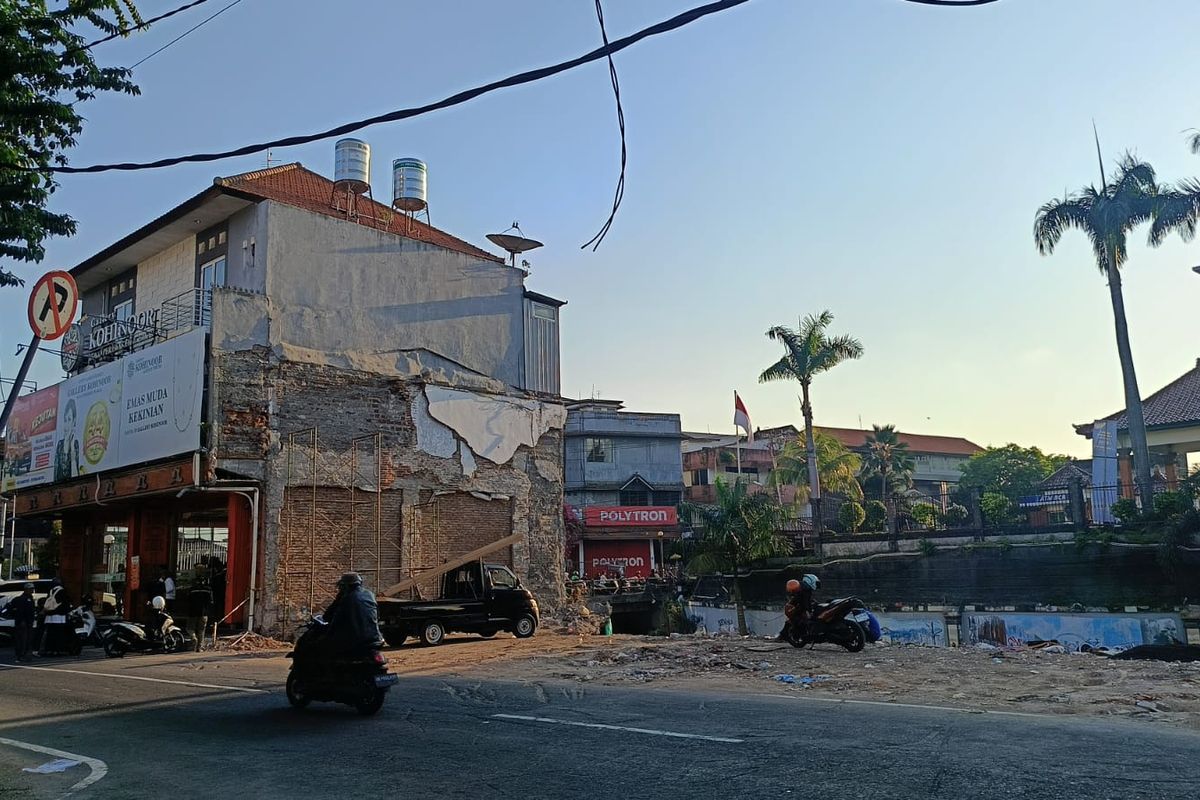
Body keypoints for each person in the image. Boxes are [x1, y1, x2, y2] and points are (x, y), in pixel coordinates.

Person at [305, 572, 384, 658]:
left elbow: (329, 617)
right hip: (375, 639)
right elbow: (378, 616)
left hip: (351, 641)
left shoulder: (346, 598)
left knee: (316, 646)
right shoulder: (370, 595)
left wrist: (339, 597)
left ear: (345, 586)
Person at [39, 580, 72, 656]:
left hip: (49, 616)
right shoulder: (62, 591)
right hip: (59, 617)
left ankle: (49, 649)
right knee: (59, 634)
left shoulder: (51, 591)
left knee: (50, 634)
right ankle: (57, 650)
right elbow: (66, 604)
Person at [7, 583, 37, 662]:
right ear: (25, 589)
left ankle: (26, 655)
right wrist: (20, 620)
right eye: (30, 589)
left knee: (28, 640)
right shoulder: (21, 599)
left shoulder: (30, 598)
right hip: (22, 622)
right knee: (21, 640)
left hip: (29, 622)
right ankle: (20, 655)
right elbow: (18, 611)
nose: (32, 590)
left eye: (32, 589)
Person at [187, 581, 213, 653]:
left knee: (189, 628)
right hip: (204, 613)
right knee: (201, 631)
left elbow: (188, 600)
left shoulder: (192, 590)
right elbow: (210, 602)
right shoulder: (208, 590)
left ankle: (193, 637)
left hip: (192, 612)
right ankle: (199, 648)